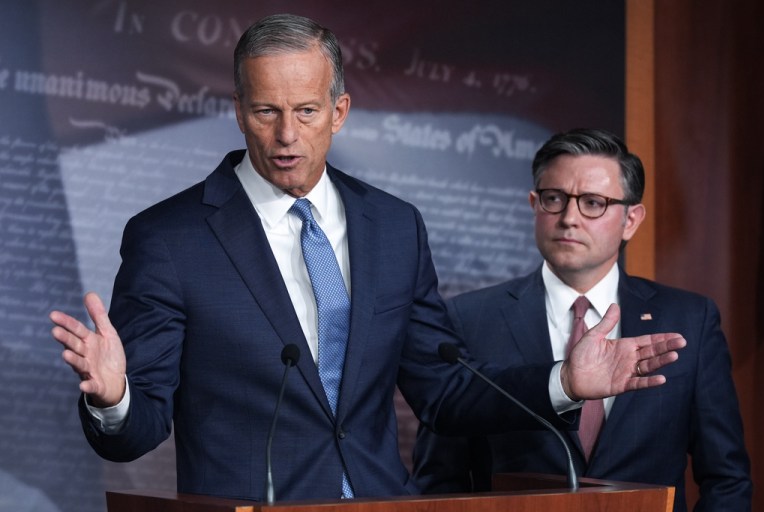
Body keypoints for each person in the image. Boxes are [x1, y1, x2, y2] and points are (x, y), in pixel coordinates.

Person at [49, 16, 685, 503]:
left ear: (339, 112)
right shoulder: (170, 238)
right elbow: (137, 430)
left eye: (306, 111)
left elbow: (444, 393)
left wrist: (565, 382)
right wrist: (115, 397)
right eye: (267, 111)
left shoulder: (393, 226)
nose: (287, 135)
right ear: (239, 111)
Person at [412, 128, 752, 511]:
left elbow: (726, 478)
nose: (569, 218)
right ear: (534, 205)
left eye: (593, 203)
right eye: (554, 199)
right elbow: (438, 481)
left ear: (631, 219)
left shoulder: (690, 320)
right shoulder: (470, 318)